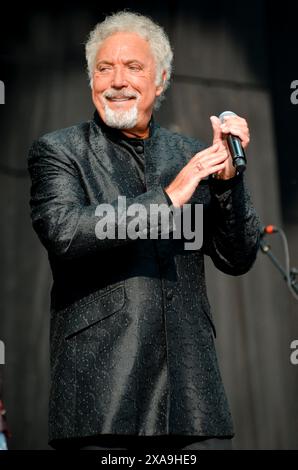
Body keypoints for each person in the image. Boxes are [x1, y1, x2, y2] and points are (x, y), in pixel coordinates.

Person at [28, 11, 260, 450]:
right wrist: (169, 198)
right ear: (90, 79)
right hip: (102, 395)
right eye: (104, 68)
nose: (117, 80)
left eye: (133, 67)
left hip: (188, 393)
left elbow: (238, 257)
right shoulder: (60, 151)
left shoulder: (191, 155)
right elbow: (63, 231)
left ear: (161, 80)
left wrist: (229, 185)